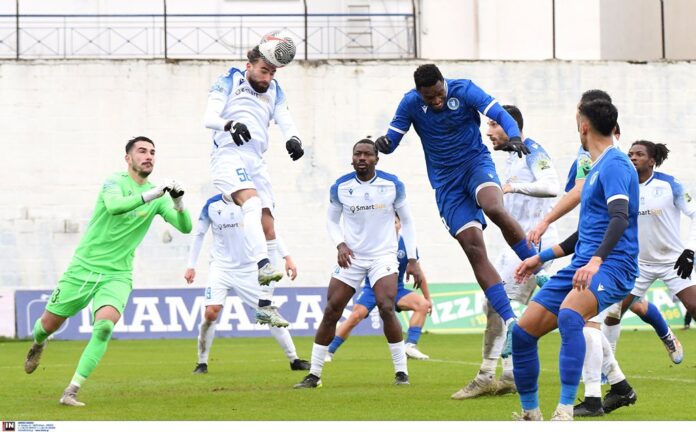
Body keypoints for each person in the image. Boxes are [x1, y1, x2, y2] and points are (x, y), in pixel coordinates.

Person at [374, 64, 549, 357]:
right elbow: (392, 140)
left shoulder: (464, 89)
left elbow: (500, 113)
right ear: (419, 93)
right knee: (474, 248)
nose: (436, 101)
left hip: (475, 165)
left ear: (444, 83)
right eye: (429, 98)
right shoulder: (409, 103)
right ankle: (510, 321)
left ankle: (539, 268)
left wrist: (514, 135)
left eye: (439, 94)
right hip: (447, 186)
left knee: (494, 207)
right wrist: (384, 143)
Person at [23, 137, 193, 406]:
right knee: (47, 326)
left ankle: (71, 390)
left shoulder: (158, 198)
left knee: (103, 328)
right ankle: (39, 342)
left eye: (152, 152)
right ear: (128, 158)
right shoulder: (113, 182)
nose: (148, 156)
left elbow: (185, 227)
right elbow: (115, 207)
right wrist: (153, 194)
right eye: (142, 151)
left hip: (118, 274)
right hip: (83, 268)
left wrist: (178, 202)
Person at [512, 98, 639, 421]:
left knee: (570, 316)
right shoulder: (596, 167)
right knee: (522, 333)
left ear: (584, 126)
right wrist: (540, 258)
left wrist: (595, 262)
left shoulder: (615, 165)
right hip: (582, 265)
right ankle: (530, 414)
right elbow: (586, 232)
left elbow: (620, 217)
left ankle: (565, 411)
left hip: (613, 266)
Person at [294, 138, 424, 389]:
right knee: (332, 309)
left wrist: (412, 260)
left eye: (367, 154)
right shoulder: (340, 187)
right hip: (352, 257)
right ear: (352, 159)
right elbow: (331, 221)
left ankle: (401, 371)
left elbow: (407, 222)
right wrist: (340, 244)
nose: (362, 158)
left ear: (377, 159)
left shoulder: (392, 184)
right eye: (357, 154)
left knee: (386, 306)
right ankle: (314, 375)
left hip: (383, 256)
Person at [452, 104, 560, 400]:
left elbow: (552, 186)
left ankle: (489, 375)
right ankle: (507, 375)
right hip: (513, 245)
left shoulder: (532, 150)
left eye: (493, 125)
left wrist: (512, 187)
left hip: (532, 243)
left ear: (509, 124)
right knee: (493, 305)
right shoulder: (509, 158)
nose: (488, 132)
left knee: (501, 305)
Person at [203, 42, 305, 327]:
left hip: (256, 161)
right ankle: (262, 264)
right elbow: (208, 117)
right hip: (228, 154)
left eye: (272, 73)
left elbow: (285, 119)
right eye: (263, 71)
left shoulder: (275, 90)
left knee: (269, 226)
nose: (267, 78)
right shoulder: (230, 79)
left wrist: (293, 138)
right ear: (249, 66)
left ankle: (264, 305)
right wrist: (230, 124)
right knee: (252, 202)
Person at [184, 194, 310, 374]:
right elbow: (199, 234)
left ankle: (294, 359)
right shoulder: (211, 205)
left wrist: (287, 257)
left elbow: (269, 231)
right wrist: (191, 265)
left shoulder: (251, 202)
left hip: (249, 269)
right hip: (221, 268)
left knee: (268, 312)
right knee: (211, 311)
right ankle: (202, 362)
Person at [602, 140, 695, 359]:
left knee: (694, 306)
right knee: (613, 314)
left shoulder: (670, 184)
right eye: (630, 154)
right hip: (638, 265)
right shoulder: (623, 187)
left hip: (674, 262)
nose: (633, 157)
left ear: (652, 161)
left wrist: (690, 250)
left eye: (639, 154)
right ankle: (607, 367)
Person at [326, 214, 432, 362]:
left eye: (395, 222)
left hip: (396, 289)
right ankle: (328, 351)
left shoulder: (408, 245)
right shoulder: (374, 243)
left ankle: (410, 346)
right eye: (389, 222)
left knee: (423, 305)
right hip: (372, 289)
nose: (392, 225)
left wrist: (428, 297)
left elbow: (418, 272)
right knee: (355, 316)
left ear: (400, 224)